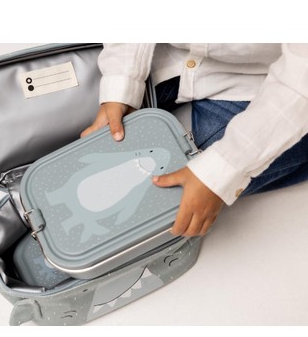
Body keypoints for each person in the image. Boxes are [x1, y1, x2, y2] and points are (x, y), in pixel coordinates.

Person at [81, 44, 308, 237]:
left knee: (172, 193)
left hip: (262, 81)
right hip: (169, 55)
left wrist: (221, 171)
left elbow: (299, 82)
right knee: (93, 123)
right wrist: (120, 83)